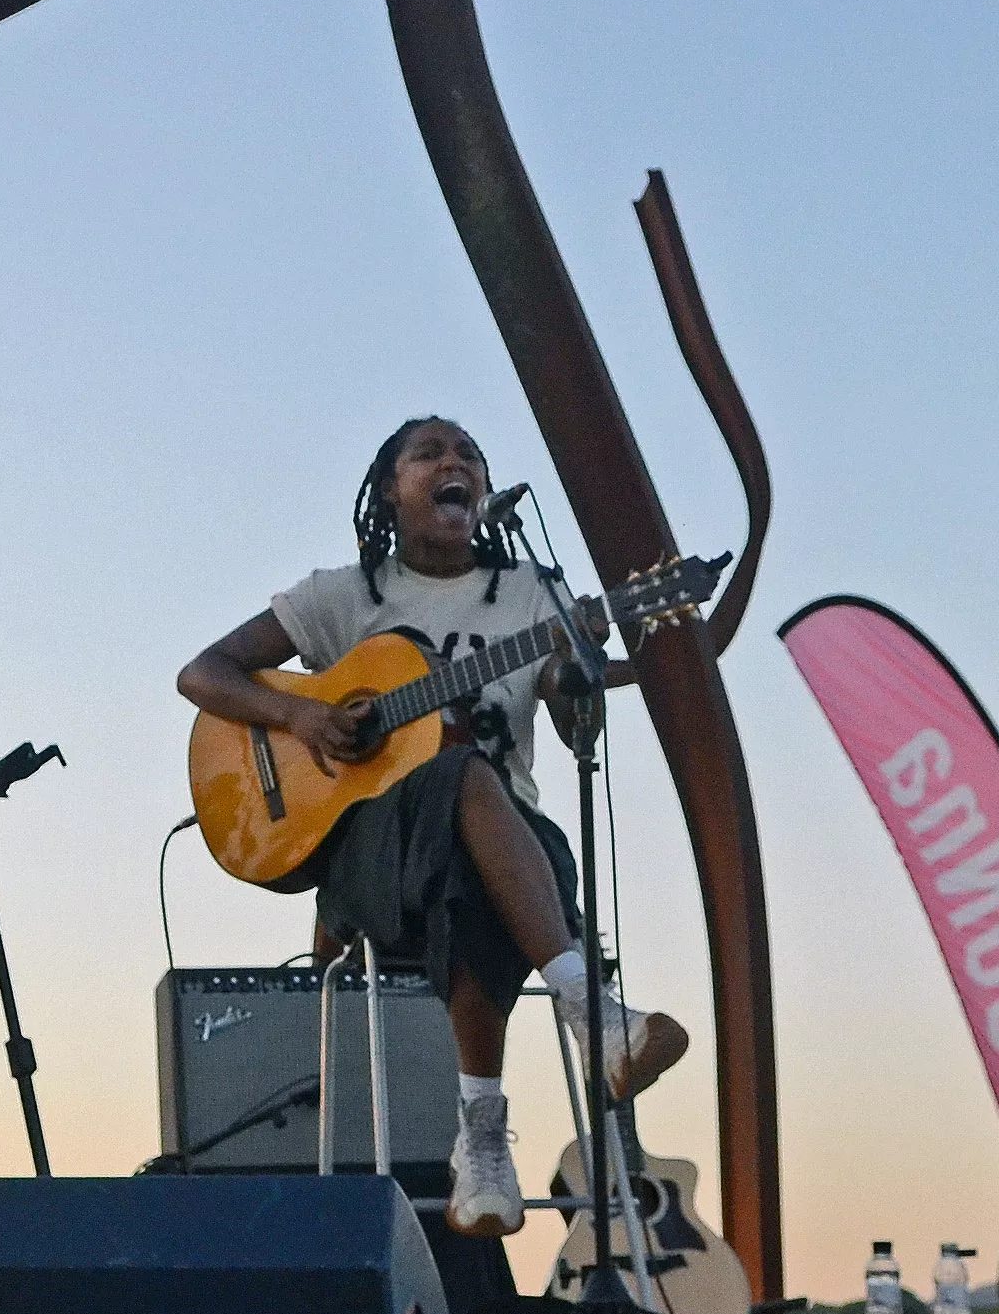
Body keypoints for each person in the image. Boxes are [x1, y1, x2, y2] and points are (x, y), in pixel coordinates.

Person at [178, 415, 690, 1238]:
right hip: (367, 863)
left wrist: (577, 675)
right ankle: (589, 1010)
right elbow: (201, 673)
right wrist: (301, 720)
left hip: (511, 855)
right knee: (459, 774)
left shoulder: (533, 594)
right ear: (390, 489)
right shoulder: (344, 596)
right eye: (431, 454)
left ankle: (481, 1137)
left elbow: (575, 736)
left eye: (470, 457)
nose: (455, 463)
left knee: (470, 839)